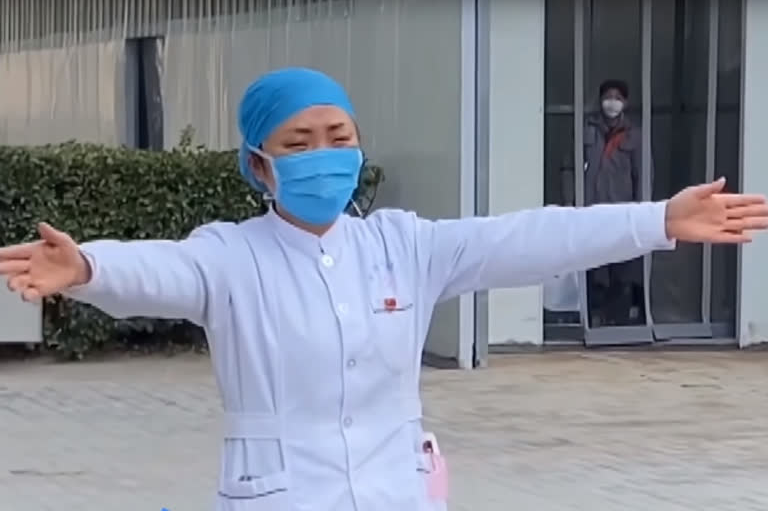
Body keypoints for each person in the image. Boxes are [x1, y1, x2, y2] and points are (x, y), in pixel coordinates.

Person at [1, 67, 766, 511]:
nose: (323, 156)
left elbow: (529, 236)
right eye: (298, 145)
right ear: (260, 166)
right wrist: (91, 267)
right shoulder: (231, 257)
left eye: (339, 139)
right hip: (281, 498)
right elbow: (161, 270)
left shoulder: (403, 245)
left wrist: (658, 219)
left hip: (396, 493)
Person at [563, 79, 650, 326]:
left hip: (622, 211)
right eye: (608, 96)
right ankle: (592, 317)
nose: (612, 102)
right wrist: (570, 201)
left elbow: (643, 174)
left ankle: (617, 319)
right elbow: (569, 166)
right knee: (591, 264)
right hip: (590, 209)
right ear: (601, 100)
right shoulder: (586, 130)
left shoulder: (635, 135)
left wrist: (643, 210)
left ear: (625, 102)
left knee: (621, 266)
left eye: (618, 97)